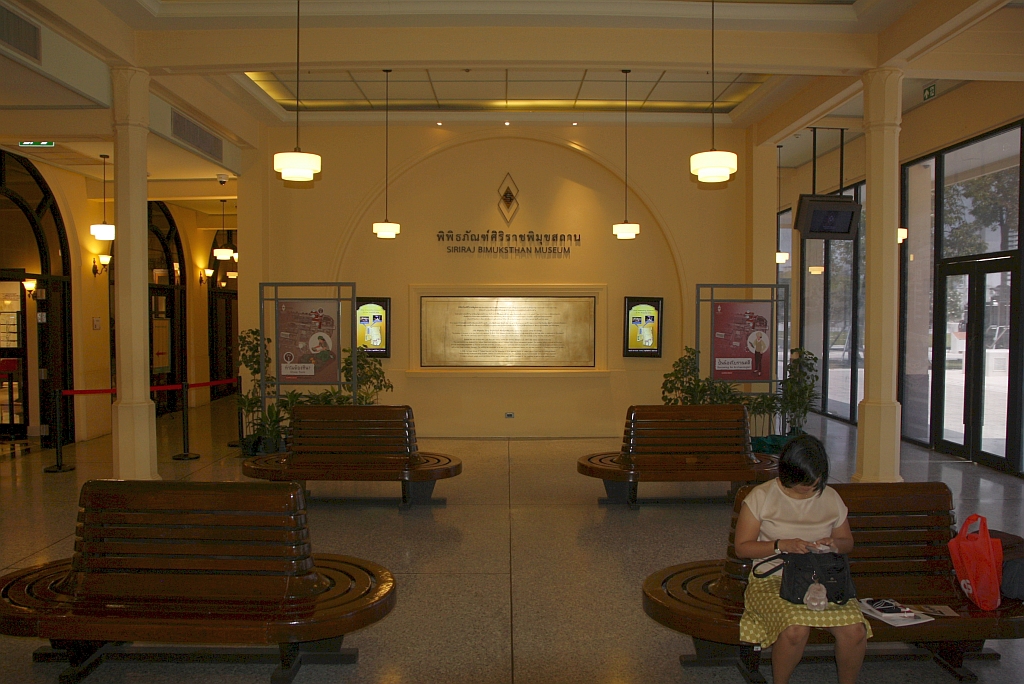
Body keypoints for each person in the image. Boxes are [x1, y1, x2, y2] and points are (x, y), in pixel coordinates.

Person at [734, 434, 870, 684]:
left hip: (821, 580)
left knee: (854, 631)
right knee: (795, 629)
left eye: (814, 481)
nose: (808, 488)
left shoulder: (830, 497)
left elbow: (847, 542)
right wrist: (780, 545)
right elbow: (742, 548)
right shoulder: (761, 497)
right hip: (773, 579)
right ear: (787, 472)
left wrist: (834, 544)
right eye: (801, 482)